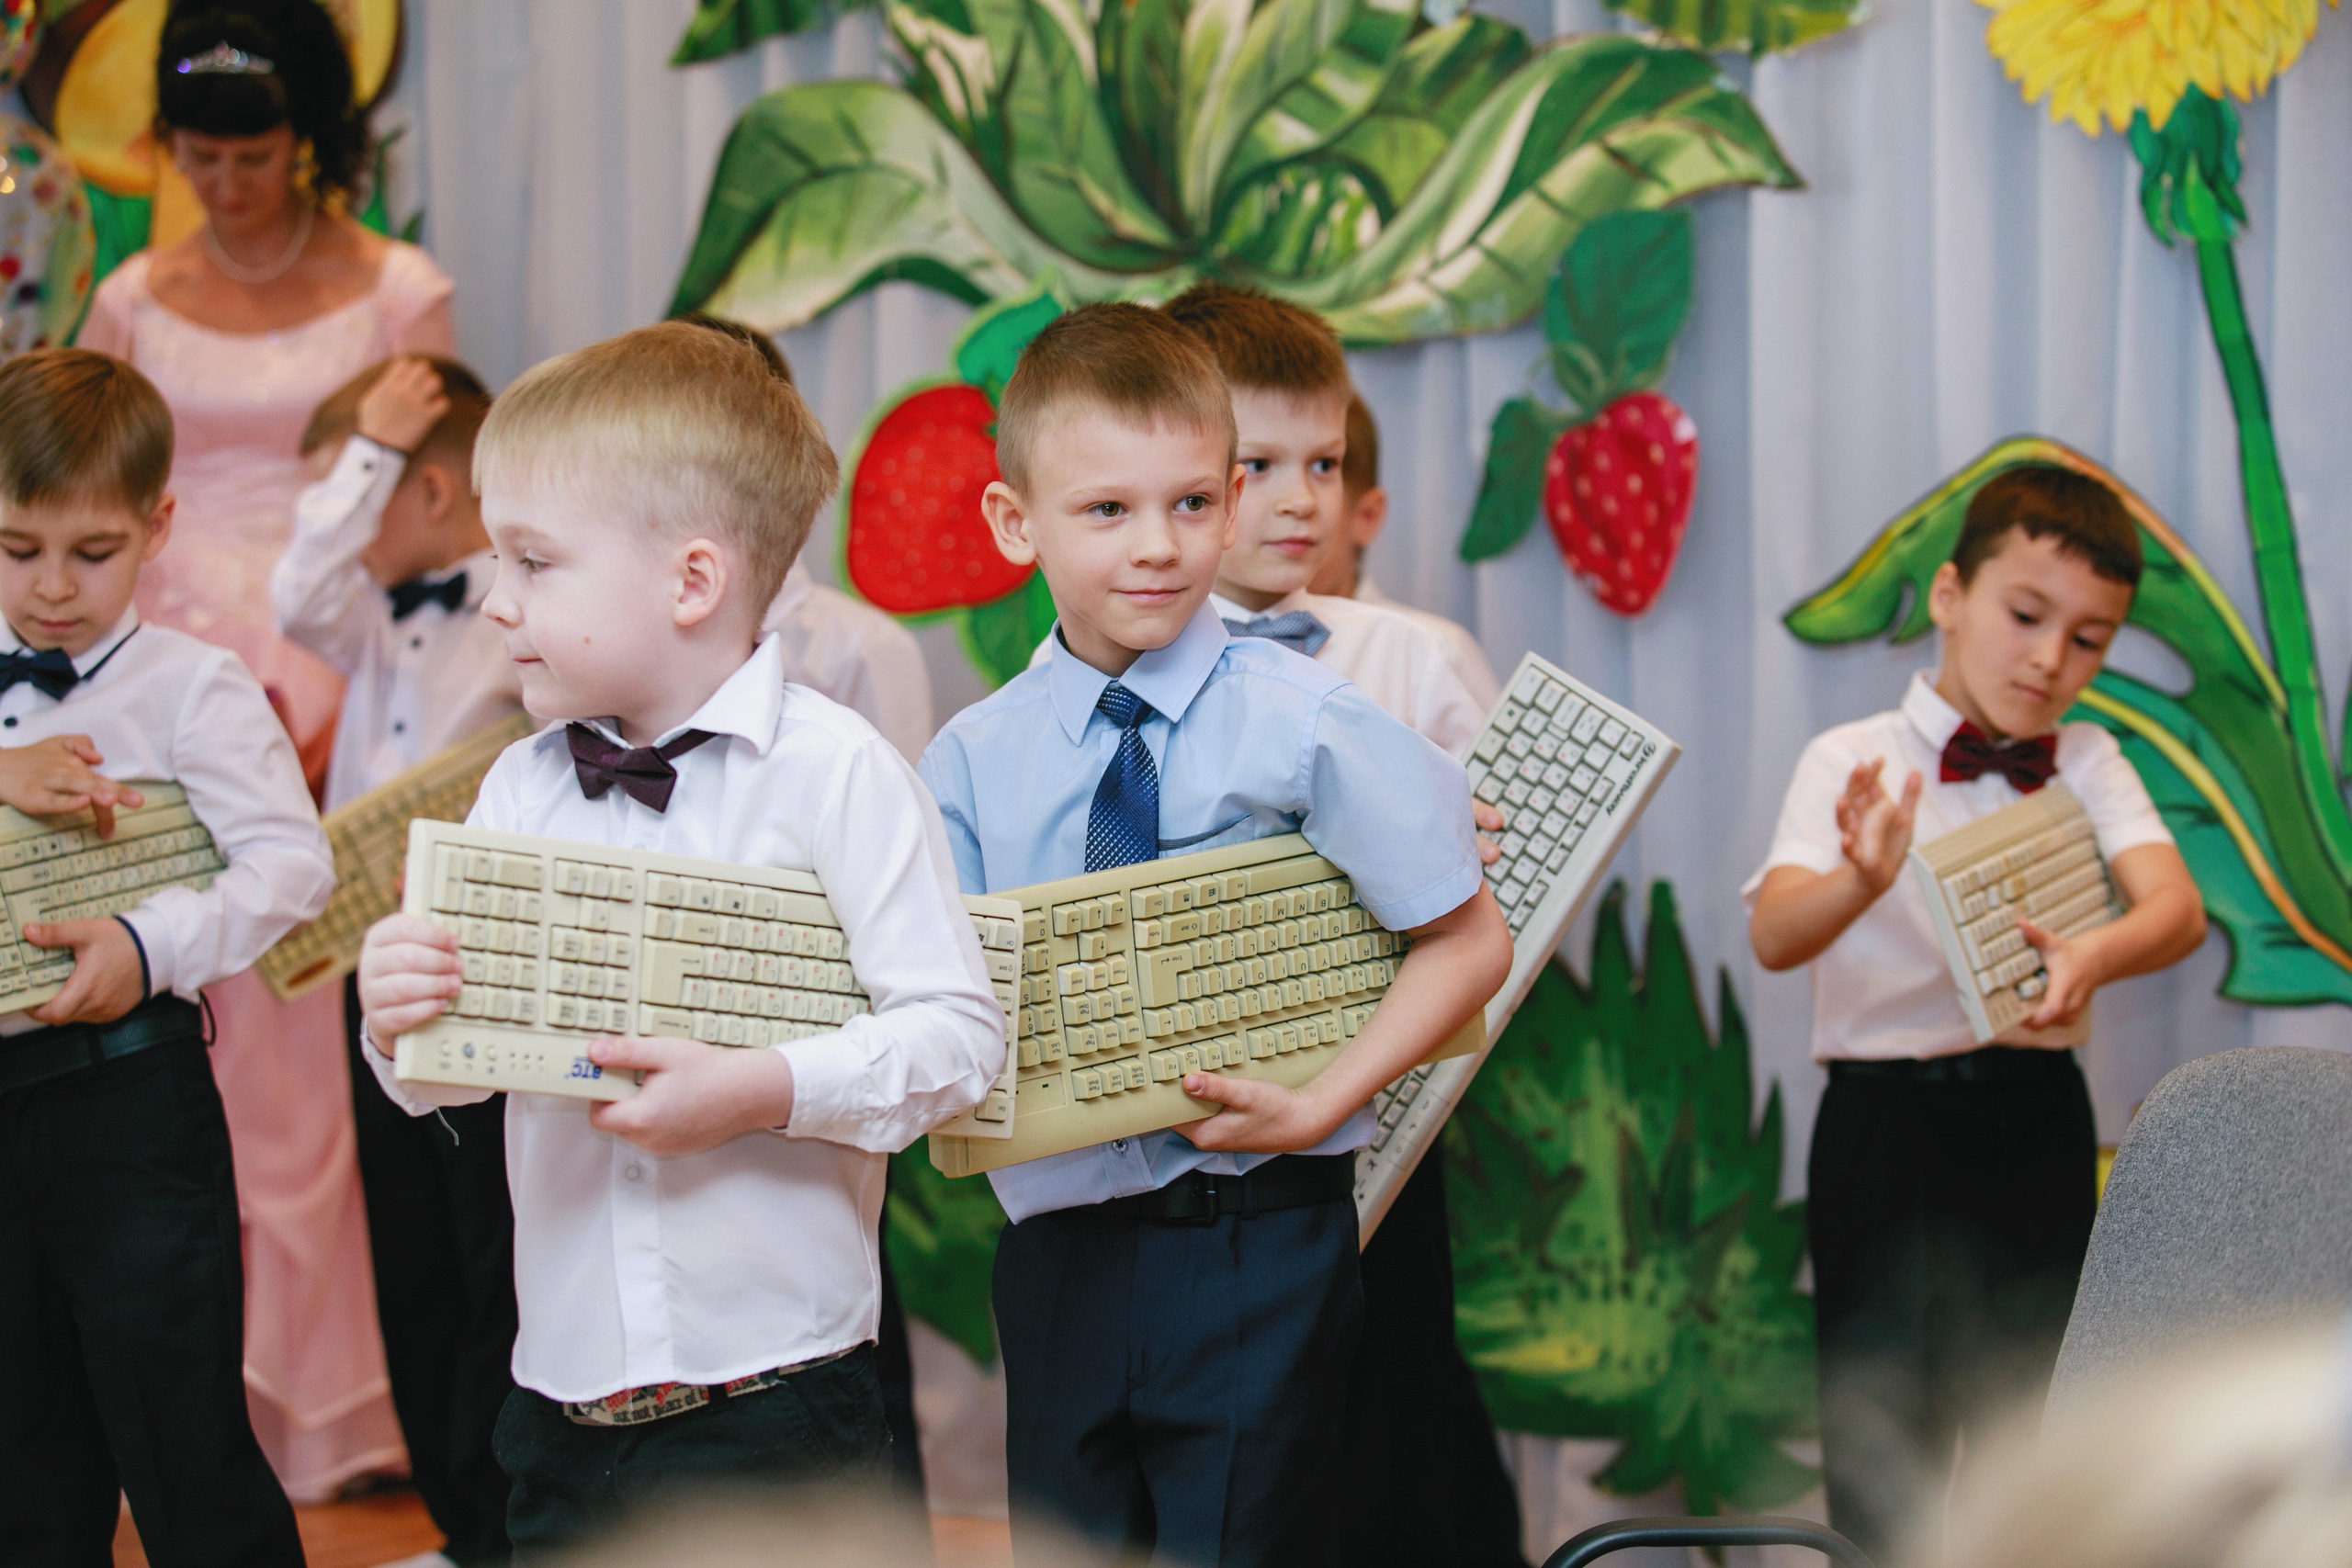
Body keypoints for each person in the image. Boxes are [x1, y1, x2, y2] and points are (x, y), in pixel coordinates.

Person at [354, 322, 1008, 1554]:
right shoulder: (517, 788)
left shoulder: (839, 775)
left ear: (691, 580)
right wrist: (401, 1016)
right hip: (557, 1396)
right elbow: (450, 1063)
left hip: (777, 1394)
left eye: (534, 560)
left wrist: (757, 1088)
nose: (495, 599)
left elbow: (959, 1039)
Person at [916, 303, 1512, 1566]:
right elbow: (944, 1008)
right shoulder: (967, 761)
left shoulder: (1308, 718)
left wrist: (1320, 1103)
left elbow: (1467, 943)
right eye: (1107, 509)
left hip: (1260, 1238)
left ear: (1232, 504)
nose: (1158, 545)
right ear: (1015, 522)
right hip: (1057, 1251)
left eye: (1192, 503)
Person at [75, 0, 457, 1495]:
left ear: (312, 140)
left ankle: (330, 1409)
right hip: (150, 693)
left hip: (336, 678)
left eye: (253, 152)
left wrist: (328, 695)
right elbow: (100, 483)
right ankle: (173, 1399)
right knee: (181, 1059)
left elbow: (422, 507)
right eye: (196, 154)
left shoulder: (396, 288)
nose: (224, 183)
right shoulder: (126, 295)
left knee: (307, 1058)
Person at [1745, 465, 2208, 1560]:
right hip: (1882, 1129)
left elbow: (2176, 913)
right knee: (1879, 1443)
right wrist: (1861, 880)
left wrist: (2093, 950)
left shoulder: (2088, 759)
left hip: (2035, 1116)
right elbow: (1774, 936)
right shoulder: (1846, 758)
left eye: (2089, 640)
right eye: (2025, 615)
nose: (2051, 660)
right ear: (1949, 594)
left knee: (2033, 1428)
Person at [1160, 283, 1531, 1568]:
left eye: (1321, 463)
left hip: (1377, 1120)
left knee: (1387, 1432)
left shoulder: (1412, 655)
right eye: (1259, 466)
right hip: (1183, 1140)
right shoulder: (1120, 661)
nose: (1303, 498)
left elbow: (1499, 885)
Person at [0, 349, 335, 1566]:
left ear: (158, 524)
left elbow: (291, 867)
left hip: (126, 1101)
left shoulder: (195, 687)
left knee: (181, 1436)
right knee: (20, 1457)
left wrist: (147, 945)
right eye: (15, 547)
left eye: (90, 553)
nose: (49, 588)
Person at [673, 309, 935, 1506]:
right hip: (662, 1038)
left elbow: (905, 886)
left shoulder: (857, 649)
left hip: (817, 1049)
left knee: (840, 1355)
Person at [273, 354, 524, 1568]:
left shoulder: (520, 609)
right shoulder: (363, 614)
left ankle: (503, 1523)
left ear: (434, 489)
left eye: (364, 483)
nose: (334, 517)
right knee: (409, 1259)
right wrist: (364, 451)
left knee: (496, 1255)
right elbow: (292, 590)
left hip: (487, 973)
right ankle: (450, 1519)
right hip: (370, 975)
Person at [1307, 395, 1502, 710]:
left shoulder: (1438, 654)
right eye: (1258, 468)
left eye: (1319, 471)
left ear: (1366, 516)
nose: (1286, 503)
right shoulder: (1209, 645)